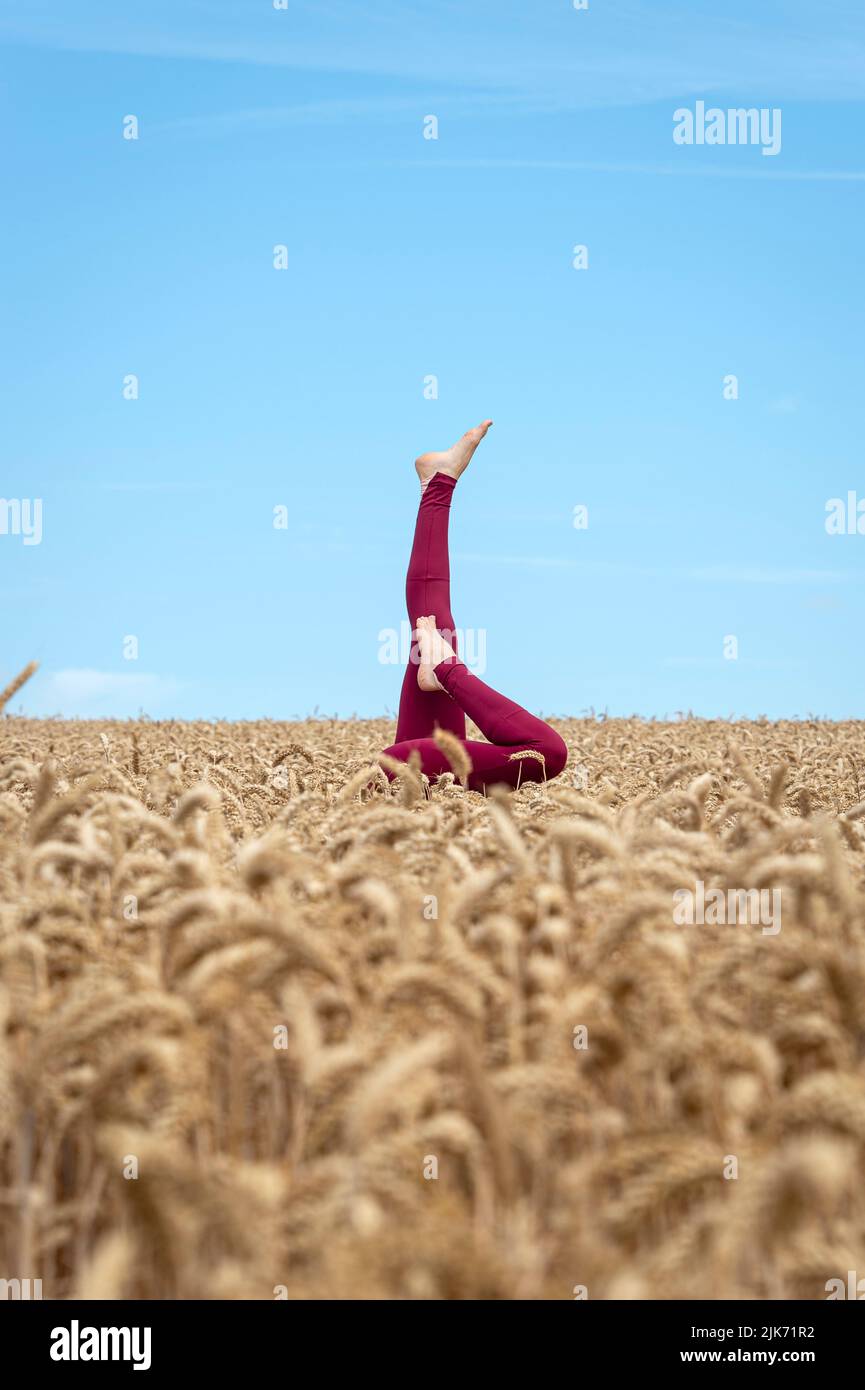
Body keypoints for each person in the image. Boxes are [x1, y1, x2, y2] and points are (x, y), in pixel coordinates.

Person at [380, 420, 568, 793]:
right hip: (417, 782)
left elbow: (547, 755)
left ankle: (445, 671)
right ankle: (437, 483)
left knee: (548, 754)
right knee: (435, 627)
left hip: (407, 776)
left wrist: (450, 671)